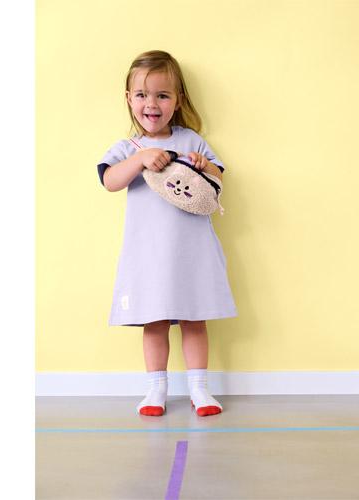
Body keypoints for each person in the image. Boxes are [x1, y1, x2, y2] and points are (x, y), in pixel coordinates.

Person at [97, 50, 237, 417]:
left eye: (162, 95)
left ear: (178, 100)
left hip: (191, 251)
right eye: (142, 95)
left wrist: (204, 166)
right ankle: (156, 389)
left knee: (194, 318)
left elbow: (219, 178)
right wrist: (139, 159)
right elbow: (110, 180)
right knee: (154, 320)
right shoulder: (128, 148)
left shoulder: (192, 141)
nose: (151, 104)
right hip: (149, 253)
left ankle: (199, 389)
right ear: (129, 99)